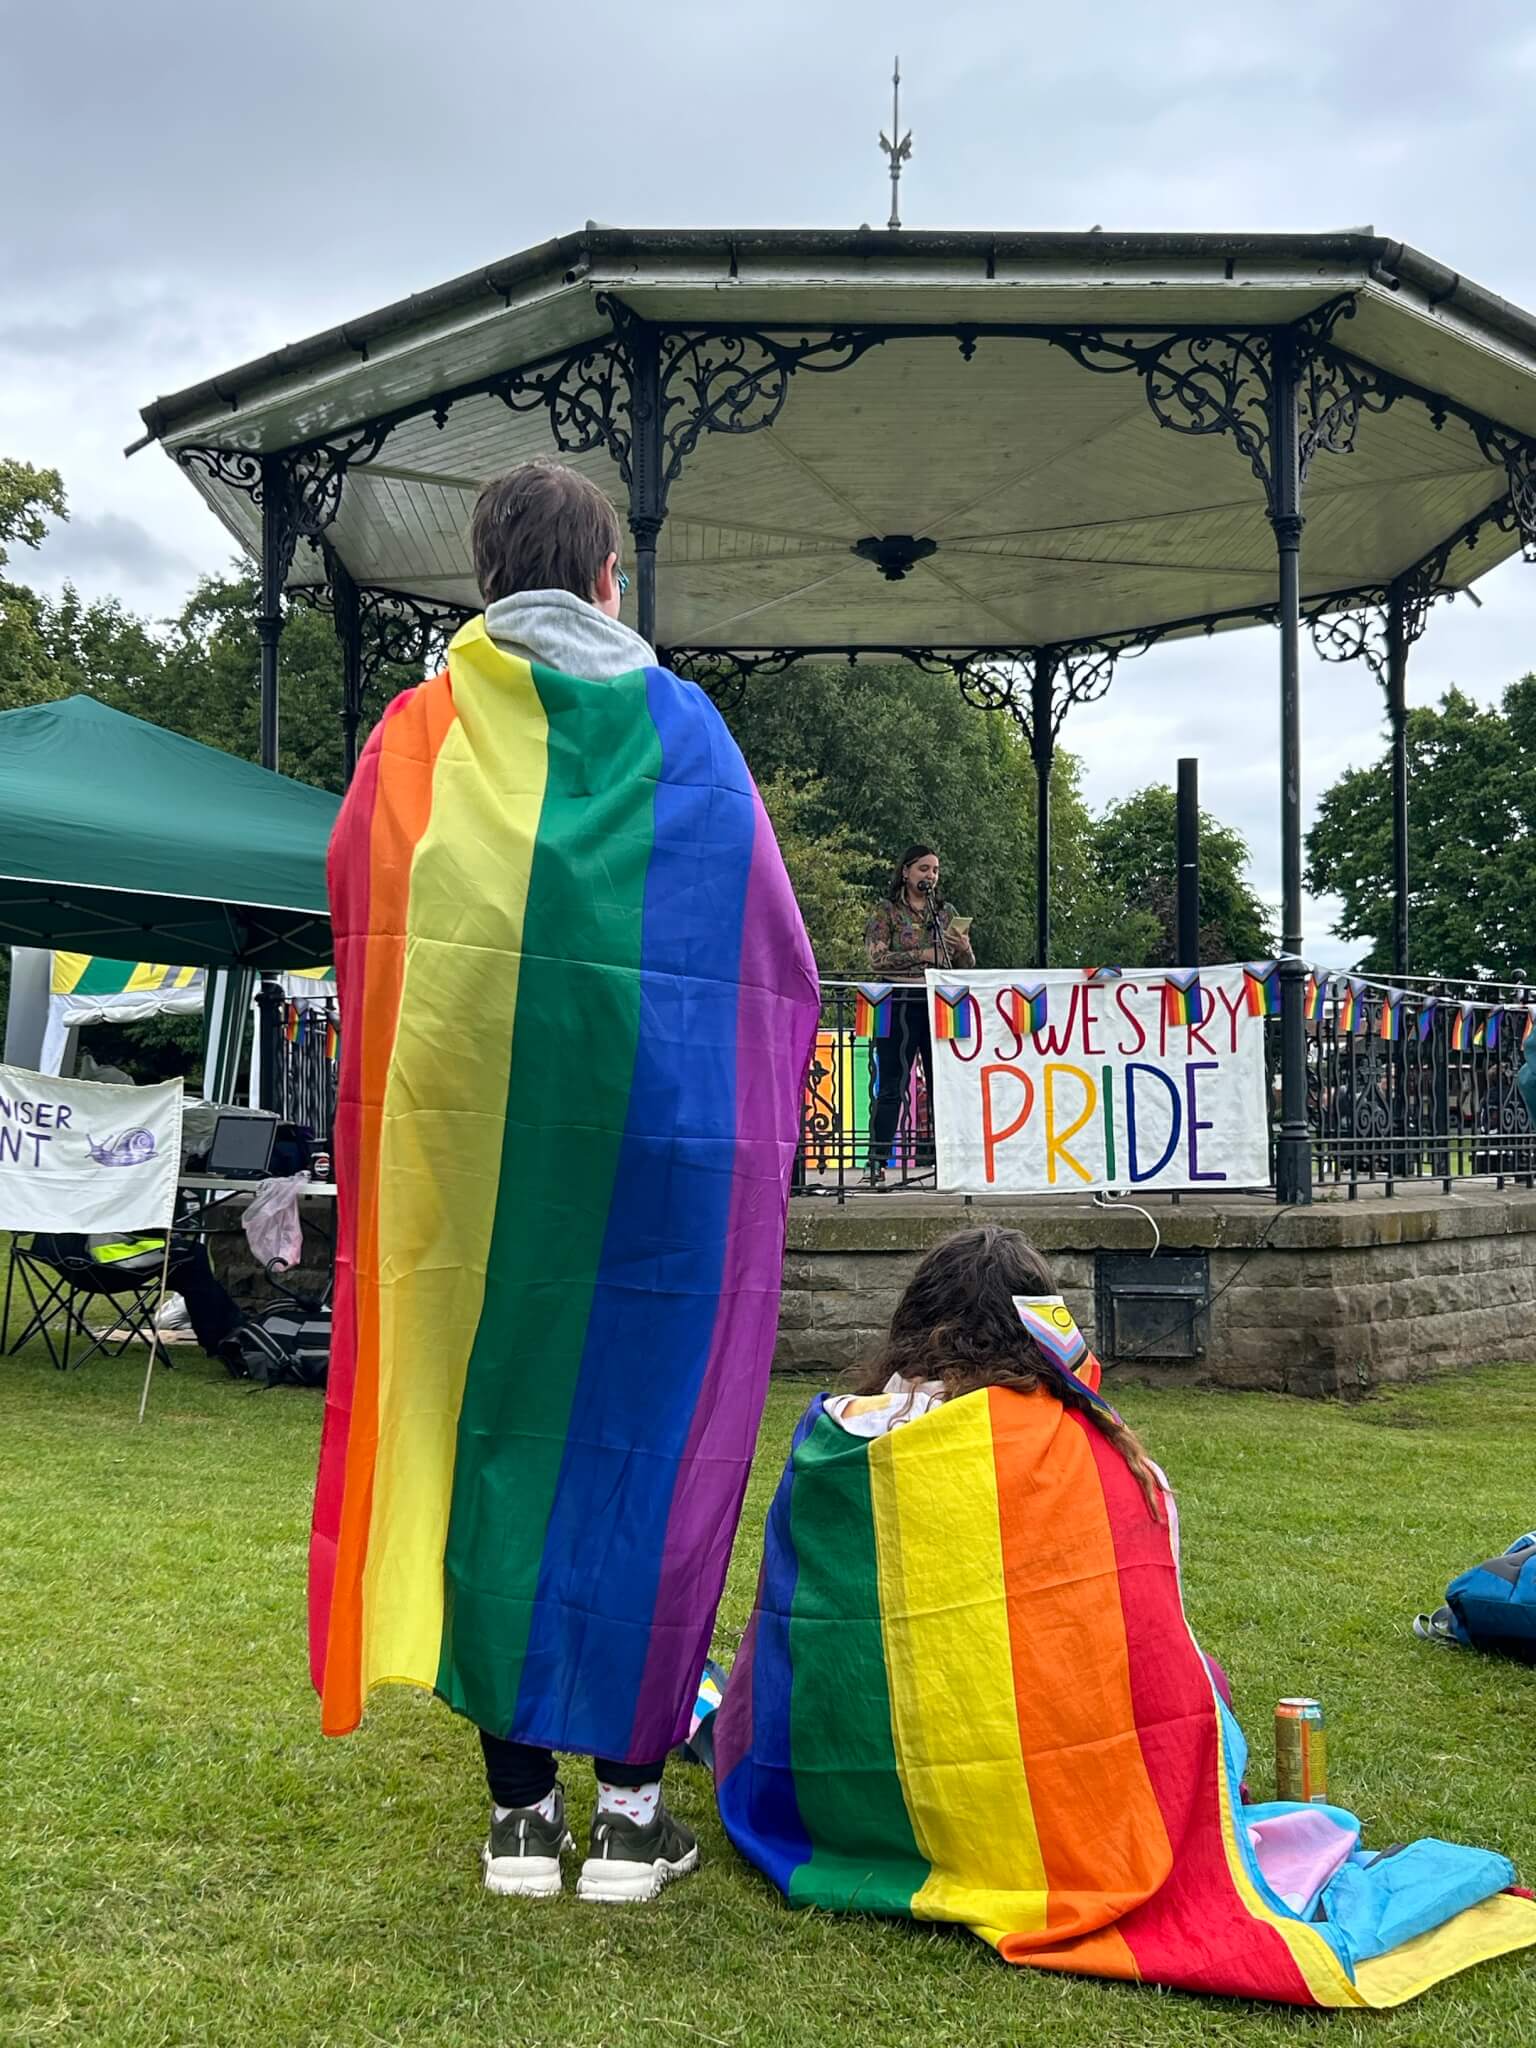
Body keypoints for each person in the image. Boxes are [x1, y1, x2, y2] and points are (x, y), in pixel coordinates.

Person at [310, 458, 819, 1905]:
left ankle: (520, 1818)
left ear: (486, 579)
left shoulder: (423, 734)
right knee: (658, 1464)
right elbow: (771, 953)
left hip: (484, 1184)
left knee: (503, 1453)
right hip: (668, 1182)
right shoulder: (685, 731)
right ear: (609, 578)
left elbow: (367, 897)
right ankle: (633, 1815)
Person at [713, 1227, 1536, 2005]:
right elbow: (1147, 1642)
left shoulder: (832, 1441)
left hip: (838, 1789)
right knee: (1198, 1696)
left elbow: (792, 1631)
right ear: (1041, 1327)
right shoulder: (1091, 1454)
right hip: (1045, 1804)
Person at [862, 844, 975, 1184]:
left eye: (936, 870)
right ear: (906, 872)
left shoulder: (945, 913)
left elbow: (964, 966)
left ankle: (947, 1161)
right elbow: (877, 960)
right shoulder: (887, 912)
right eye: (924, 869)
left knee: (943, 1083)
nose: (931, 876)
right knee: (892, 1085)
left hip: (938, 1002)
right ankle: (877, 1161)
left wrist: (965, 950)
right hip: (897, 1002)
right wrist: (925, 954)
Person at [33, 1230, 245, 1360]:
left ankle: (227, 1333)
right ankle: (227, 1338)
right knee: (191, 1254)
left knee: (184, 1262)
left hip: (58, 1255)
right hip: (106, 1263)